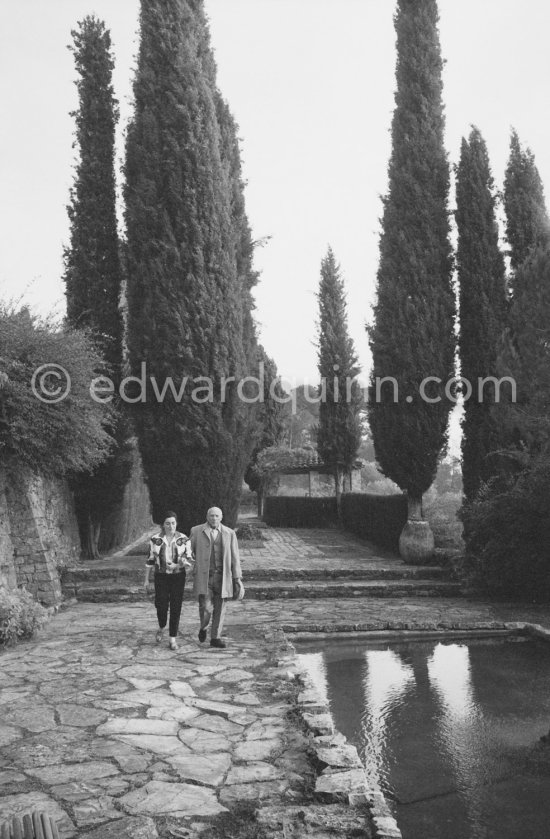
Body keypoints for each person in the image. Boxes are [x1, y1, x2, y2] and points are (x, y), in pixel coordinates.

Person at [189, 507, 244, 649]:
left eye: (217, 516)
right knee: (205, 607)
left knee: (221, 608)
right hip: (204, 576)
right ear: (207, 517)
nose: (214, 518)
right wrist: (194, 567)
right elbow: (189, 554)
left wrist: (237, 578)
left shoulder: (230, 533)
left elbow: (235, 557)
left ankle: (215, 638)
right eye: (211, 515)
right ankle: (204, 627)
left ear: (221, 517)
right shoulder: (196, 531)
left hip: (223, 576)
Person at [144, 511, 192, 651]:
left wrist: (178, 565)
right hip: (161, 576)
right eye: (167, 523)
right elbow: (150, 560)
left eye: (173, 523)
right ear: (163, 525)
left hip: (178, 577)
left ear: (176, 524)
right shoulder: (155, 540)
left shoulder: (183, 539)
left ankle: (172, 638)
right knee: (161, 605)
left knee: (176, 606)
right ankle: (161, 626)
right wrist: (146, 580)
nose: (171, 526)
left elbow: (189, 559)